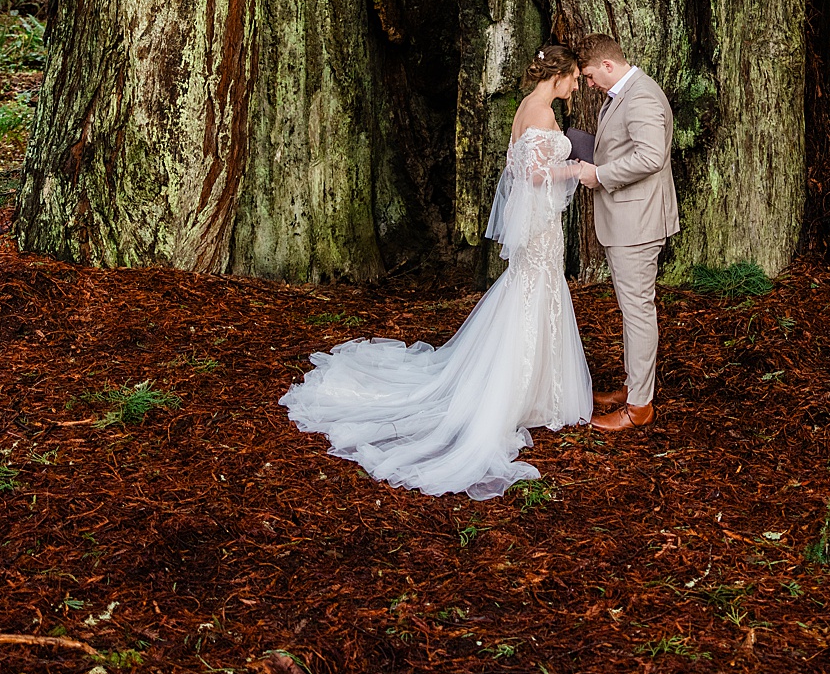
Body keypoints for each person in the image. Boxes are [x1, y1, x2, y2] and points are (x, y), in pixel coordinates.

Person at [281, 44, 594, 500]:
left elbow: (517, 165)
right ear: (561, 74)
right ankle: (519, 393)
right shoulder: (542, 114)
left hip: (541, 227)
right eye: (573, 79)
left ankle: (535, 387)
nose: (574, 87)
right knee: (533, 297)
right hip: (541, 230)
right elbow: (530, 176)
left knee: (528, 295)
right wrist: (576, 168)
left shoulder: (527, 108)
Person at [564, 34, 680, 434]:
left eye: (592, 75)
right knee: (633, 312)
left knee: (637, 313)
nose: (590, 84)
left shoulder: (642, 97)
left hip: (639, 222)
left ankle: (640, 407)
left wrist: (598, 173)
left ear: (608, 66)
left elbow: (650, 156)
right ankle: (634, 387)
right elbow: (626, 147)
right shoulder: (625, 94)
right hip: (631, 219)